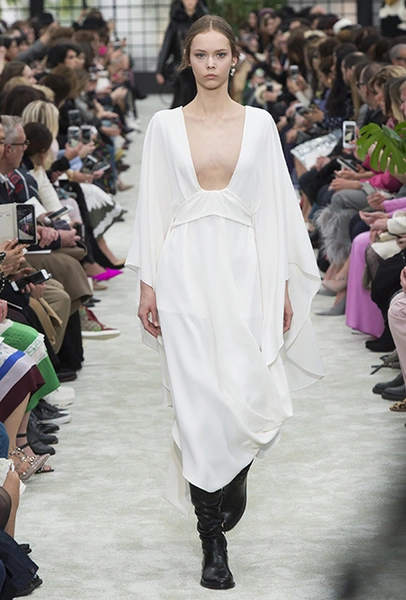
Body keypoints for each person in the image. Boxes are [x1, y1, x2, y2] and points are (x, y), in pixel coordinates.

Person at [127, 15, 324, 590]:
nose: (210, 64)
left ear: (235, 58)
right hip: (184, 273)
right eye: (201, 54)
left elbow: (277, 208)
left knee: (245, 392)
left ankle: (233, 471)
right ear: (187, 60)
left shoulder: (260, 124)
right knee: (197, 405)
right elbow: (153, 206)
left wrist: (280, 285)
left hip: (245, 272)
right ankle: (212, 542)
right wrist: (147, 283)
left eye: (219, 54)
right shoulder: (164, 126)